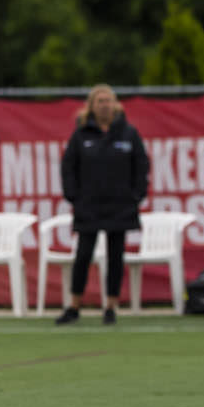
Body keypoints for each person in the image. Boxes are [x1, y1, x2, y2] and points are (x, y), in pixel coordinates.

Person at [55, 84, 149, 326]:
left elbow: (141, 166)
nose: (105, 105)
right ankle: (74, 306)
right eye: (100, 101)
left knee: (115, 256)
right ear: (91, 106)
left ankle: (111, 306)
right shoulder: (81, 135)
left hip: (120, 206)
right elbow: (68, 168)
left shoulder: (128, 133)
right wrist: (73, 195)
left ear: (116, 105)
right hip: (89, 206)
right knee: (83, 255)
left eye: (109, 101)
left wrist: (136, 195)